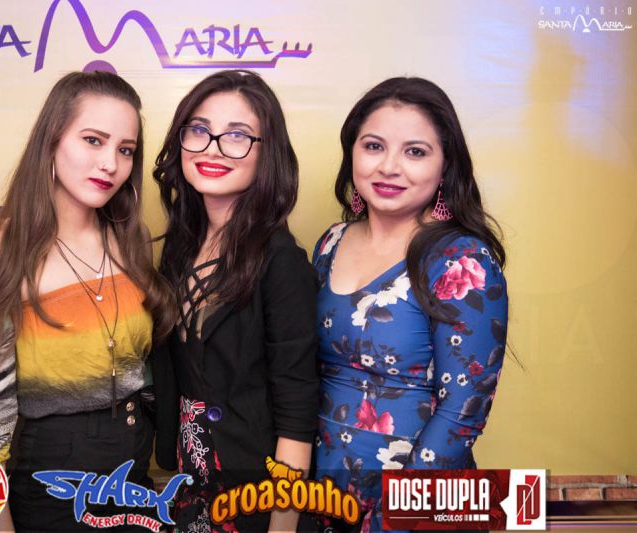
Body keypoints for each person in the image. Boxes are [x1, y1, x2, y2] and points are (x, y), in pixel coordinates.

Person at [0, 71, 175, 531]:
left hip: (134, 476)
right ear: (52, 140)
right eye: (93, 140)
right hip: (52, 486)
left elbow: (145, 371)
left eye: (125, 150)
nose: (110, 163)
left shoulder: (130, 241)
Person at [311, 77, 509, 532]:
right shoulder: (330, 242)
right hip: (322, 493)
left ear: (445, 166)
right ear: (352, 152)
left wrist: (395, 517)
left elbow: (463, 410)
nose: (389, 167)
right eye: (373, 146)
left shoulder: (460, 259)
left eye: (415, 152)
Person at [151, 70, 320, 532]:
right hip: (193, 482)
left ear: (268, 153)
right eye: (199, 130)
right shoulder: (181, 246)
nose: (212, 148)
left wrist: (282, 526)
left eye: (238, 136)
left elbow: (297, 411)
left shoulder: (281, 260)